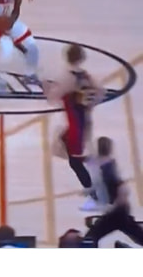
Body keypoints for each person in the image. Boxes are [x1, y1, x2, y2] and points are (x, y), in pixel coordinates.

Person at [42, 44, 105, 210]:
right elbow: (100, 92)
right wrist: (89, 104)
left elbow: (52, 97)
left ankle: (95, 197)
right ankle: (92, 169)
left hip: (76, 126)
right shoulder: (87, 76)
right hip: (84, 121)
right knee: (62, 142)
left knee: (75, 162)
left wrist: (46, 87)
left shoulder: (65, 77)